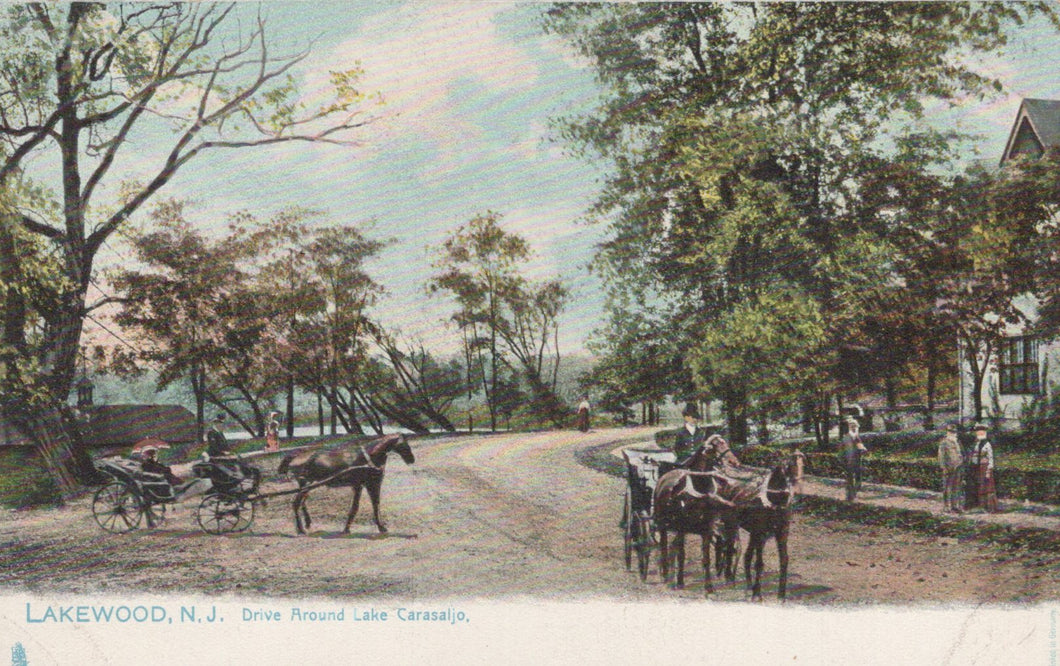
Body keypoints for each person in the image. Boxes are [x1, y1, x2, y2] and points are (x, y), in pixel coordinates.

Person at [969, 423, 999, 513]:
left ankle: (990, 507)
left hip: (984, 467)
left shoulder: (987, 444)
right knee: (979, 486)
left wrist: (989, 469)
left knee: (987, 487)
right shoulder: (976, 443)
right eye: (978, 431)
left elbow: (990, 457)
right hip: (976, 467)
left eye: (981, 431)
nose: (979, 433)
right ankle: (980, 505)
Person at [839, 416, 867, 501]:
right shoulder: (846, 437)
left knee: (857, 477)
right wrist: (842, 461)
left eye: (856, 426)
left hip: (856, 461)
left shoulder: (856, 437)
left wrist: (863, 449)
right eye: (852, 426)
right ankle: (850, 496)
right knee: (850, 478)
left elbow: (861, 447)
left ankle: (853, 493)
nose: (855, 428)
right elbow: (841, 451)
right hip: (848, 461)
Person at [937, 423, 964, 513]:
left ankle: (954, 506)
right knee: (947, 487)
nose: (953, 433)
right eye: (951, 431)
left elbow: (961, 453)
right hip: (949, 468)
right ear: (947, 432)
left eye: (954, 432)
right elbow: (941, 456)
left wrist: (962, 462)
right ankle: (946, 506)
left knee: (956, 487)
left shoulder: (957, 442)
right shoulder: (944, 443)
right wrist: (944, 467)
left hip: (958, 467)